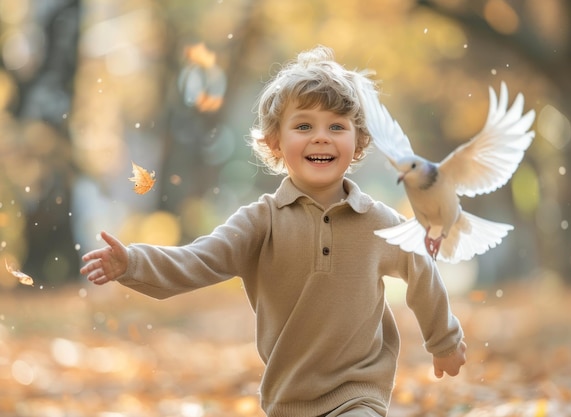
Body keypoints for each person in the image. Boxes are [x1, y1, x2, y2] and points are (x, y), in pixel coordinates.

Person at [80, 45, 466, 417]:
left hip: (359, 390)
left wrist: (444, 340)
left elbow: (422, 271)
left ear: (359, 141)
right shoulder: (260, 221)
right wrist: (133, 262)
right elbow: (200, 259)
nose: (321, 136)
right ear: (274, 142)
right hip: (288, 394)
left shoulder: (379, 223)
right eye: (303, 125)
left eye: (337, 126)